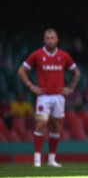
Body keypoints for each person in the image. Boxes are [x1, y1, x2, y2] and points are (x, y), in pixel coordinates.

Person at [17, 28, 81, 167]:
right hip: (43, 96)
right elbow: (21, 71)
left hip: (58, 97)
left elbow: (76, 72)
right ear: (44, 40)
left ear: (57, 40)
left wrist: (71, 88)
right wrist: (30, 86)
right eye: (47, 38)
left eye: (52, 38)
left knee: (55, 127)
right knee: (40, 124)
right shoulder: (37, 55)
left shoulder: (64, 56)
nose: (50, 40)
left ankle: (52, 159)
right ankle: (37, 160)